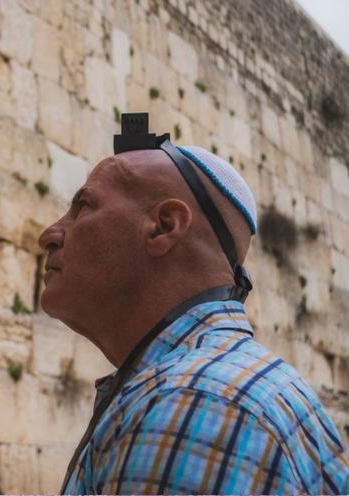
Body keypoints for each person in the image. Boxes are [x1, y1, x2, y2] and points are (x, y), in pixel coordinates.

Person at [38, 132, 349, 494]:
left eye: (84, 207)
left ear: (164, 225)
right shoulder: (218, 383)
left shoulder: (191, 403)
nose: (49, 234)